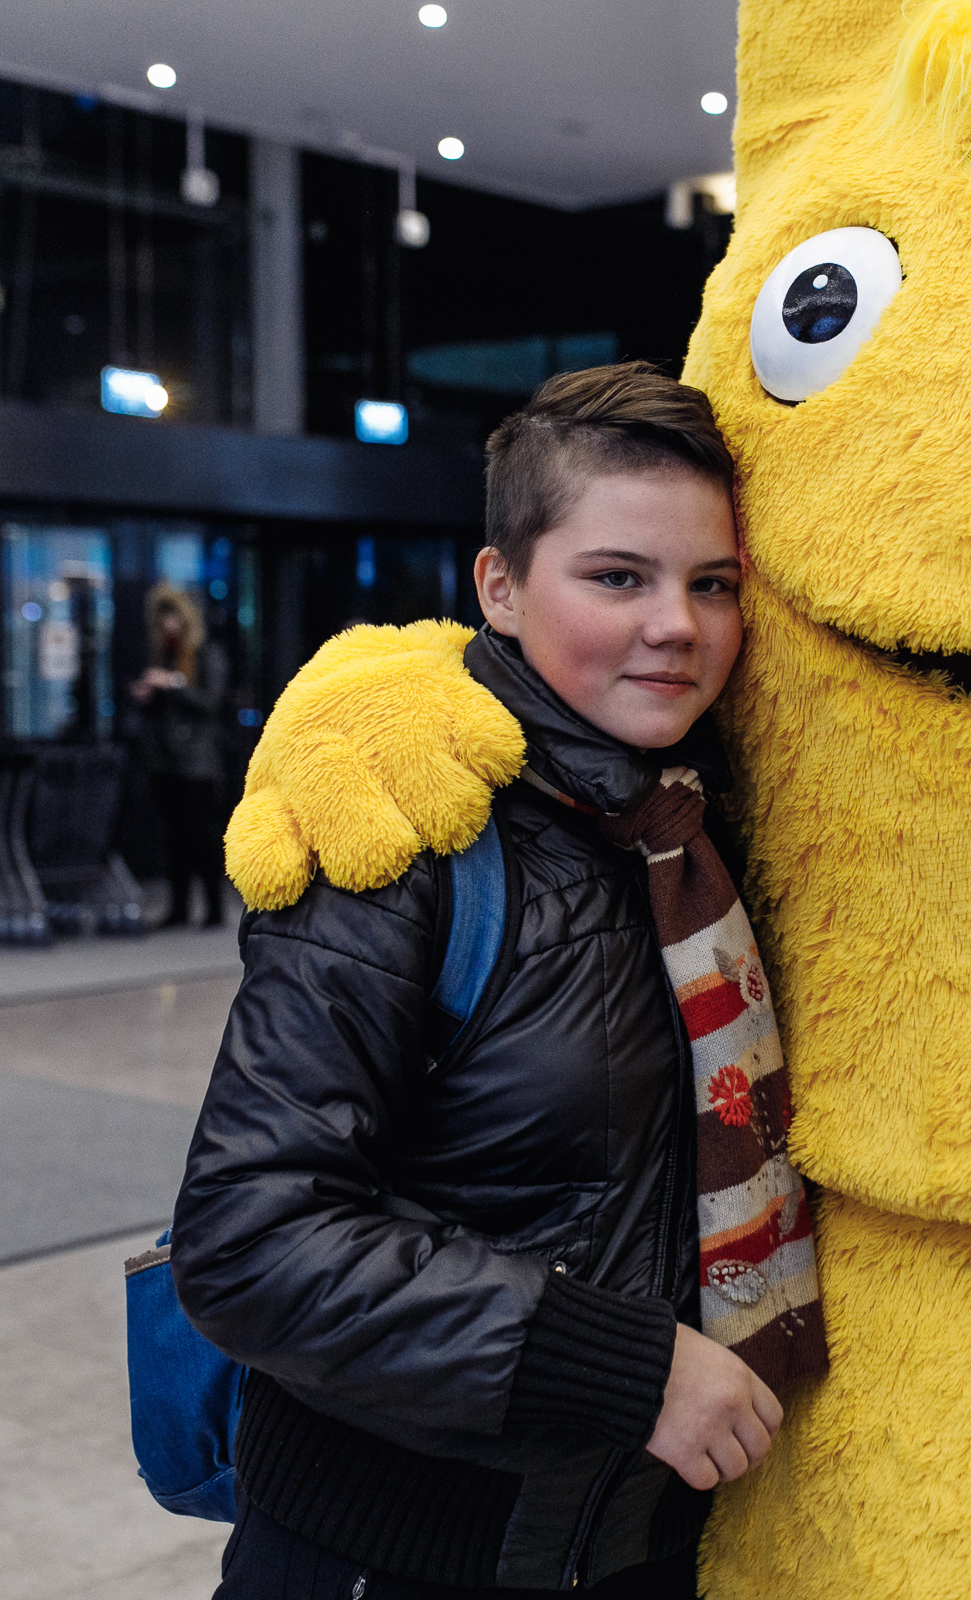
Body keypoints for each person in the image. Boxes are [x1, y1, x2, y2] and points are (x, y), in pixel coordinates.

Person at [172, 363, 819, 1600]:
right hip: (389, 1550)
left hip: (647, 1543)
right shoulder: (406, 822)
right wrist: (624, 1367)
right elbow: (249, 1235)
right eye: (617, 577)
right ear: (501, 588)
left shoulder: (701, 822)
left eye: (713, 583)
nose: (677, 625)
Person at [133, 584, 227, 927]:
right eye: (163, 618)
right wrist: (147, 693)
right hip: (163, 759)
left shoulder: (205, 653)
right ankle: (179, 907)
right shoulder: (162, 654)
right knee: (173, 837)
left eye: (172, 616)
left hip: (196, 762)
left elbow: (211, 703)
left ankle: (215, 907)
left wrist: (174, 684)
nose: (168, 624)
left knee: (200, 834)